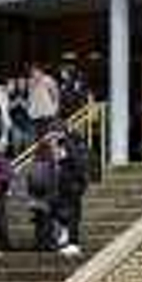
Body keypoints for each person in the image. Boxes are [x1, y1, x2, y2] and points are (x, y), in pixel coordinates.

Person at [52, 128, 89, 258]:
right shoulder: (76, 147)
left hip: (71, 186)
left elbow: (75, 166)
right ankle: (69, 240)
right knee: (70, 213)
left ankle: (73, 244)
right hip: (72, 186)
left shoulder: (68, 146)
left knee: (72, 214)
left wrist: (62, 159)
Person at [25, 140, 60, 252]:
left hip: (35, 197)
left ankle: (38, 243)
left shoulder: (33, 163)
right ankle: (48, 242)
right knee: (48, 221)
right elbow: (54, 181)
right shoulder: (51, 163)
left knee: (39, 221)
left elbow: (29, 180)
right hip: (48, 197)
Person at [27, 63, 60, 142]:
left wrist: (55, 107)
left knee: (48, 134)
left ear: (40, 71)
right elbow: (30, 97)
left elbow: (55, 93)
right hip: (36, 113)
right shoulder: (31, 82)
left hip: (47, 112)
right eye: (32, 72)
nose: (34, 73)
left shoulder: (48, 80)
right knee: (38, 136)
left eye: (35, 71)